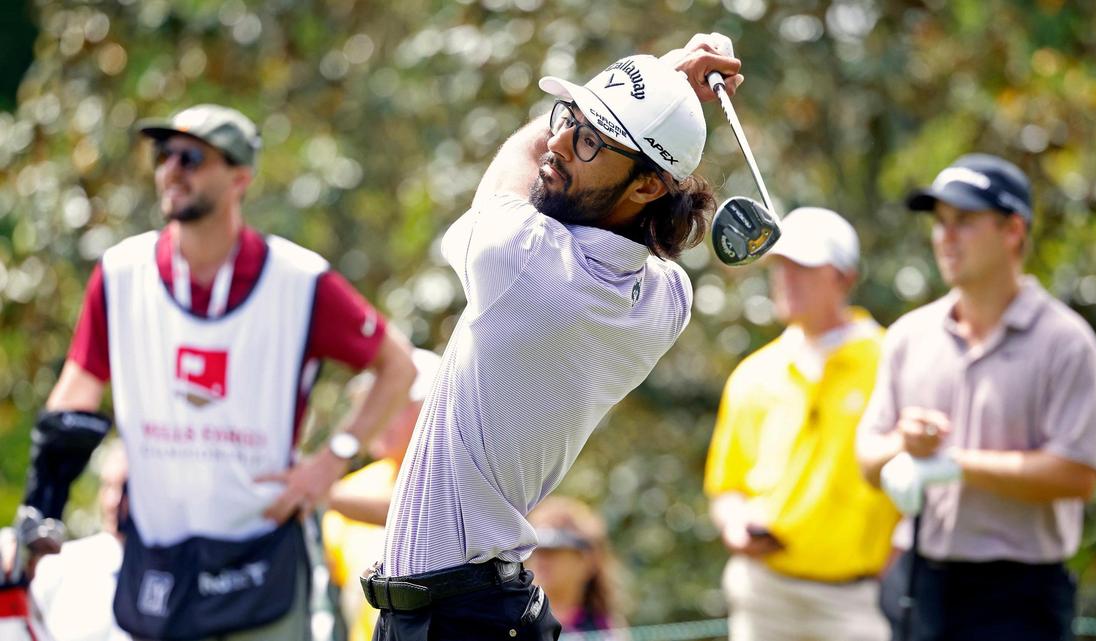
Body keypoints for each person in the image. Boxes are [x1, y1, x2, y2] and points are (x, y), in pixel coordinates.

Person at [359, 34, 743, 640]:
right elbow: (652, 224)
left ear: (646, 186)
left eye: (589, 140)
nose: (559, 142)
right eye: (569, 120)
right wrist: (660, 105)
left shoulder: (519, 260)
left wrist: (665, 80)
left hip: (459, 619)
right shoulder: (668, 299)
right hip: (477, 609)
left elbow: (523, 152)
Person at [13, 103, 417, 641]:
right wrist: (40, 511)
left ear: (240, 177)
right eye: (164, 154)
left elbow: (397, 364)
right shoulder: (120, 273)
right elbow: (74, 398)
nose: (172, 169)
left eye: (192, 157)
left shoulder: (298, 280)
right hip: (156, 558)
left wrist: (331, 463)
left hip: (258, 558)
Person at [855, 154, 1096, 641]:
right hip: (916, 583)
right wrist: (905, 445)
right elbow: (868, 460)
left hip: (1019, 596)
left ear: (1013, 230)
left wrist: (955, 464)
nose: (945, 237)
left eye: (965, 222)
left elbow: (1077, 474)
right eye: (941, 223)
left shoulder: (1066, 342)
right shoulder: (910, 335)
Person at [704, 207, 899, 641]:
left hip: (856, 599)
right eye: (781, 266)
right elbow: (727, 487)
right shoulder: (754, 373)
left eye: (804, 268)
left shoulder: (891, 362)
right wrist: (735, 526)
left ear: (845, 278)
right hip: (763, 593)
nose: (787, 279)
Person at [322, 348, 442, 641]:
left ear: (431, 409)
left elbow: (420, 511)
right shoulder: (356, 486)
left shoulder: (457, 474)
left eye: (397, 405)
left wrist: (319, 491)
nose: (380, 416)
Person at [30, 439, 131, 641]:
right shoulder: (61, 565)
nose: (113, 502)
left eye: (126, 490)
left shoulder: (182, 577)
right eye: (108, 486)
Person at [525, 496, 625, 633]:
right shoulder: (511, 622)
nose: (541, 560)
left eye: (553, 551)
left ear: (587, 560)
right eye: (536, 550)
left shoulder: (605, 630)